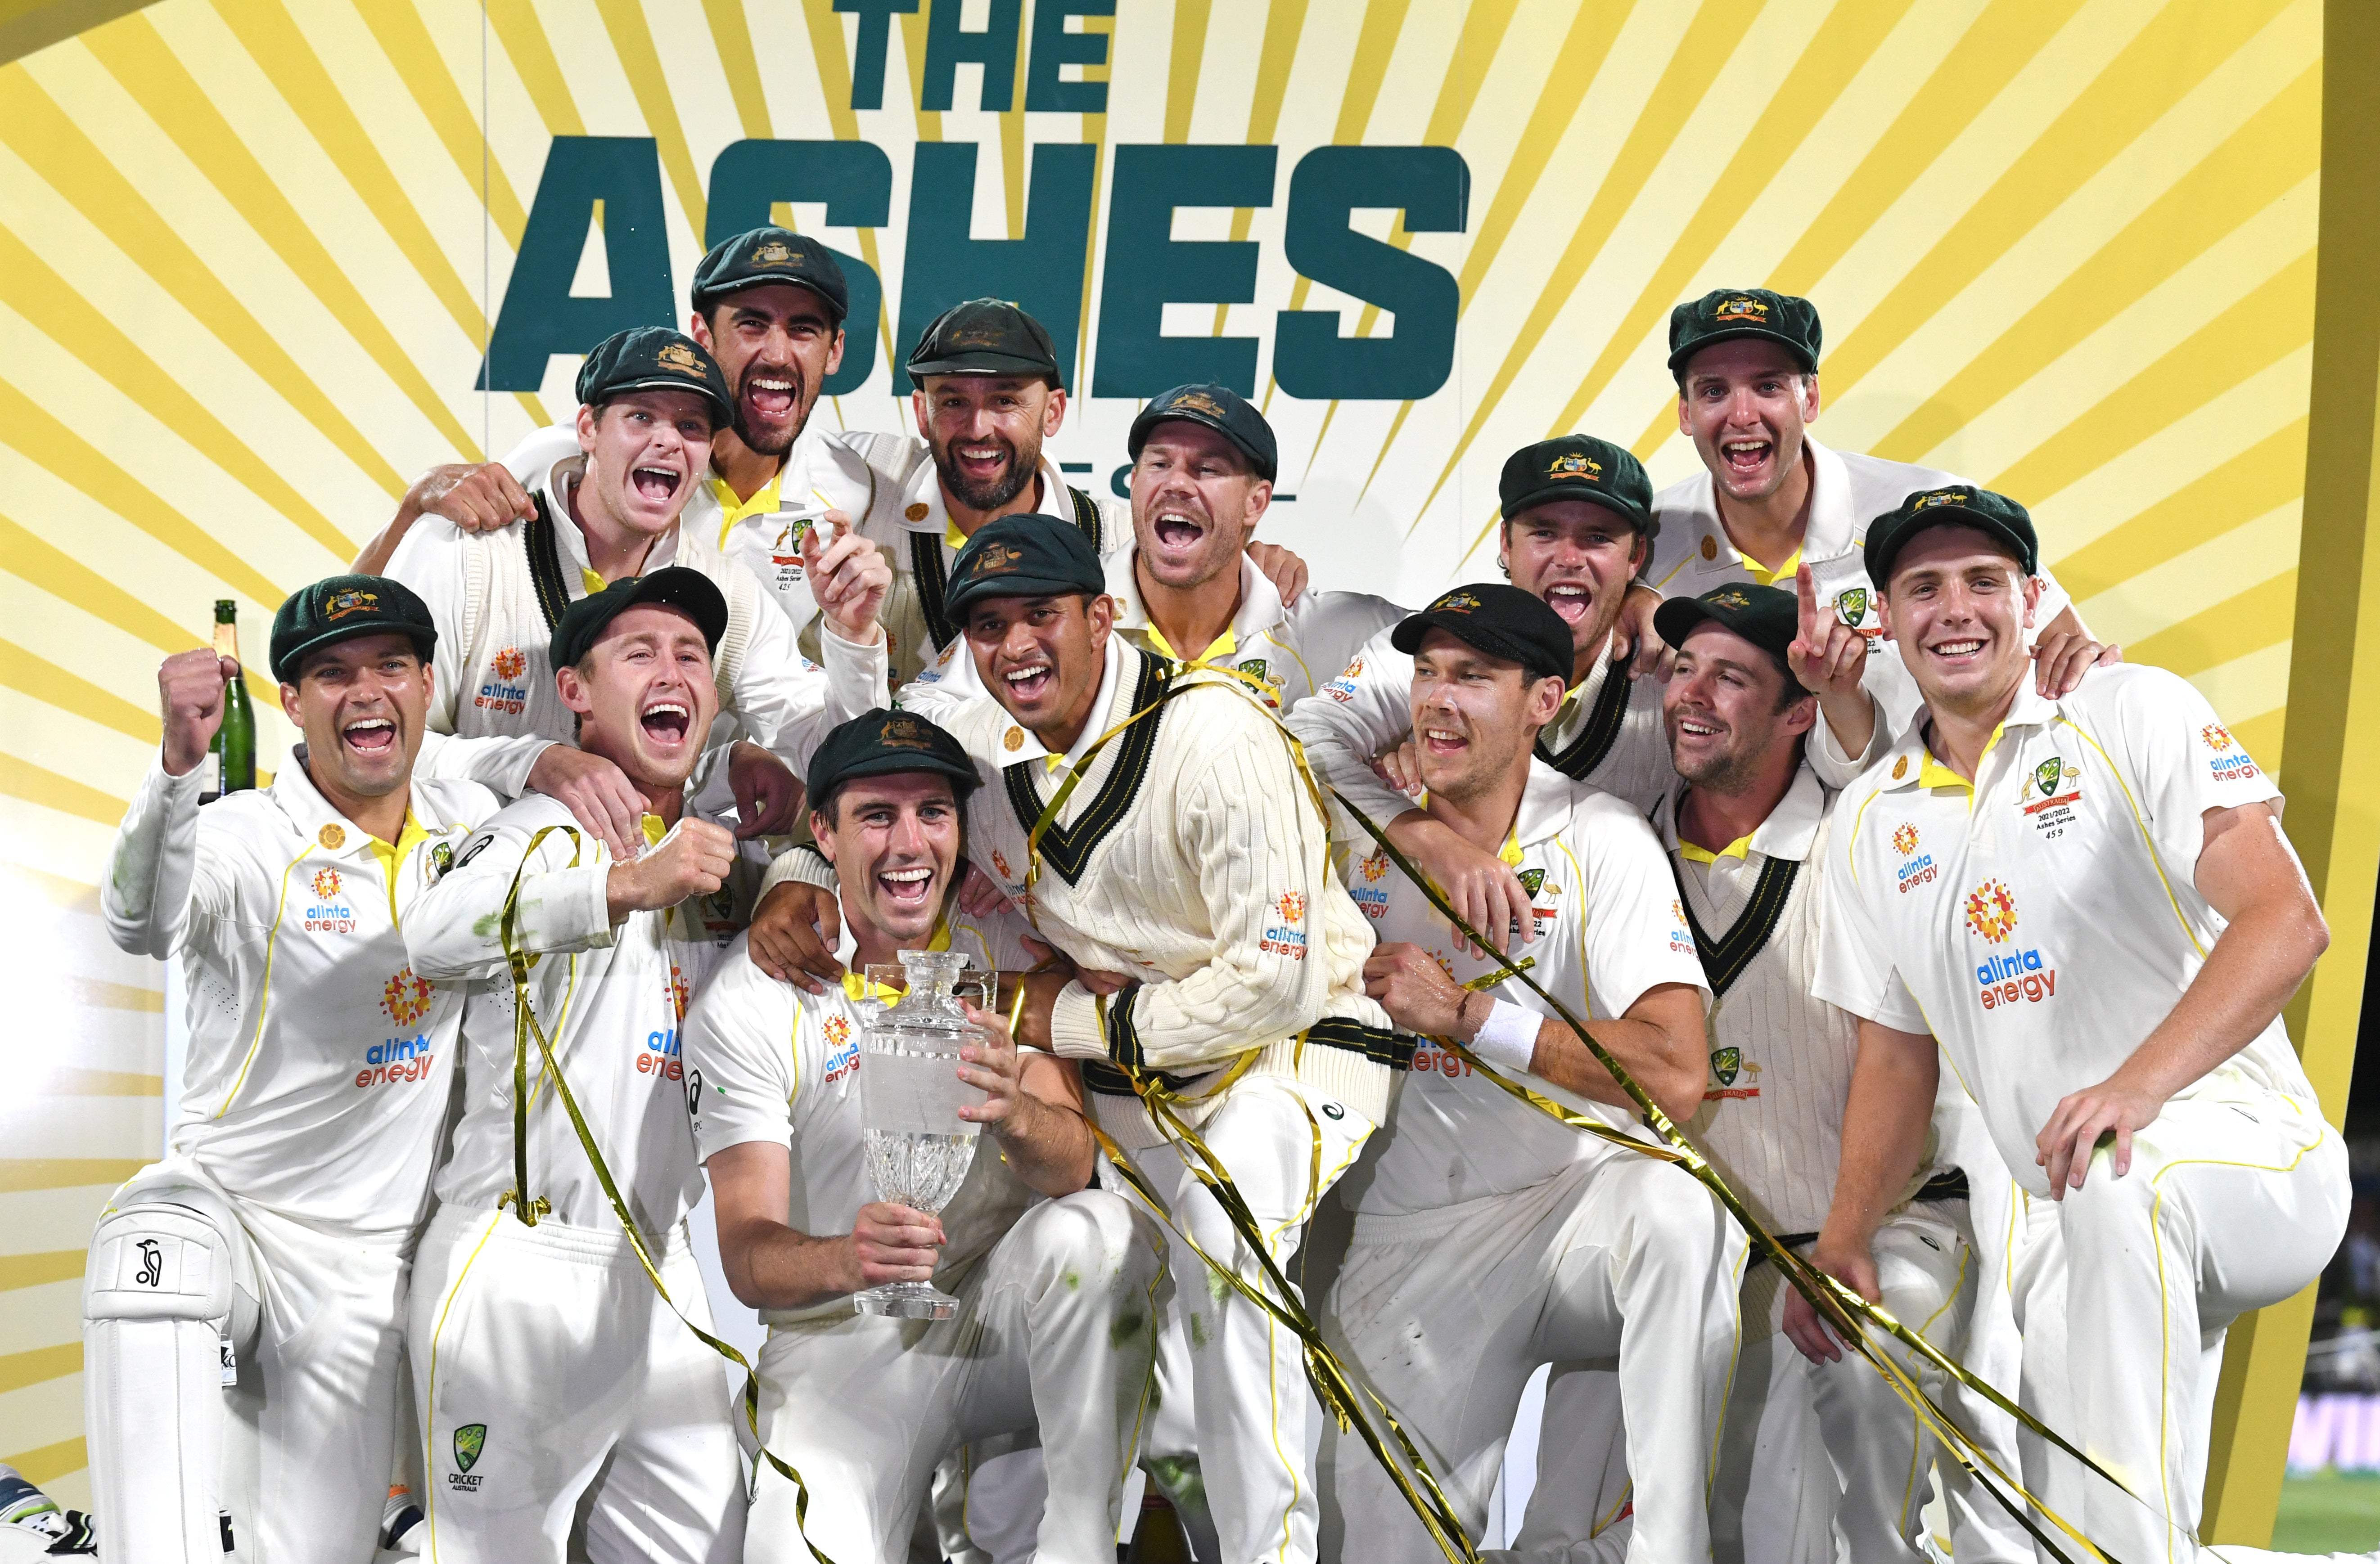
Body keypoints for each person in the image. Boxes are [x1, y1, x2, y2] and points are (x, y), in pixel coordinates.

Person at [1808, 485, 2364, 1564]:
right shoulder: (1870, 819)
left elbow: (2285, 921)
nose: (1954, 608)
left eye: (1982, 581)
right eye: (1922, 586)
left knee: (2118, 1172)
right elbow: (1894, 1054)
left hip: (2247, 1154)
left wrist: (2137, 1087)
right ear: (1885, 616)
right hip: (2063, 1214)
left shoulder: (2128, 711)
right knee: (2084, 1529)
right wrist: (1839, 1237)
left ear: (2031, 598)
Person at [918, 512, 1397, 1564]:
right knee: (1094, 1297)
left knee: (1229, 1238)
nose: (1015, 646)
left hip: (1292, 1060)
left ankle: (1273, 1554)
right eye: (988, 626)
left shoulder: (1215, 730)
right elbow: (897, 824)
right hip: (1141, 1099)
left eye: (1039, 614)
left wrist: (1074, 1015)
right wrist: (802, 879)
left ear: (1101, 615)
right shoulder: (1000, 784)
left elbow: (1270, 984)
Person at [1315, 583, 1736, 1564]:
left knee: (1681, 1208)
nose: (1439, 701)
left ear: (1546, 700)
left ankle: (1671, 1552)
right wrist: (1412, 832)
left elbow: (1677, 1075)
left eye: (1474, 676)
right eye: (1426, 673)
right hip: (1411, 1241)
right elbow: (1302, 739)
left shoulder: (1601, 835)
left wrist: (1471, 1018)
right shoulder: (1349, 835)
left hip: (1575, 1216)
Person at [684, 709, 1162, 1564]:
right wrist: (847, 1257)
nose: (910, 844)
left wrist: (1018, 1110)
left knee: (1098, 1232)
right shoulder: (753, 995)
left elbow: (1073, 1164)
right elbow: (748, 1255)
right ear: (823, 834)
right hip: (844, 1341)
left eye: (932, 813)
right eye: (877, 815)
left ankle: (1080, 1545)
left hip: (993, 1316)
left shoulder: (1009, 956)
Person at [90, 576, 494, 1562]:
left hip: (363, 1271)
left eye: (389, 665)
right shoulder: (241, 838)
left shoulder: (471, 831)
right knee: (152, 1254)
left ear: (427, 684)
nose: (365, 691)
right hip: (227, 1210)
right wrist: (178, 774)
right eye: (332, 673)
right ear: (290, 704)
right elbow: (142, 922)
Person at [402, 570, 762, 1563]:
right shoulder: (541, 828)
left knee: (706, 1547)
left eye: (691, 655)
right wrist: (618, 886)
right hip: (521, 1260)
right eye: (640, 653)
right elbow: (431, 933)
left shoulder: (714, 853)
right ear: (576, 690)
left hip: (661, 1267)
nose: (672, 672)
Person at [1652, 583, 1973, 1561]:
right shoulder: (1620, 845)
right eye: (1681, 669)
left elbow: (1900, 1056)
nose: (1692, 694)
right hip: (1706, 1260)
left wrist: (1838, 1242)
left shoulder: (1863, 839)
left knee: (1869, 1366)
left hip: (1879, 1229)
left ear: (1799, 712)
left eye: (1731, 677)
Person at [1289, 435, 1874, 962]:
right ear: (1505, 545)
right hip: (1417, 998)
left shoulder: (1671, 681)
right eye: (1543, 532)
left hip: (1595, 991)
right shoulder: (1429, 652)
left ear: (1637, 557)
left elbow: (1812, 776)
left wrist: (1836, 693)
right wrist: (1428, 838)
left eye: (1597, 538)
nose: (1568, 558)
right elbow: (1301, 745)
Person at [380, 325, 892, 862]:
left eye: (690, 425)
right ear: (587, 428)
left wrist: (852, 635)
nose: (668, 440)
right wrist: (531, 761)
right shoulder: (466, 554)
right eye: (641, 416)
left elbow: (837, 758)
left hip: (640, 920)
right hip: (467, 913)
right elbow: (378, 745)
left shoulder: (732, 595)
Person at [902, 382, 1398, 717]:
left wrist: (1402, 742)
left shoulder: (1326, 630)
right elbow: (919, 709)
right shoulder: (1053, 613)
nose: (1177, 484)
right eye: (1159, 465)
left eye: (1207, 469)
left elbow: (1462, 655)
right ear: (1135, 483)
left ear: (1256, 502)